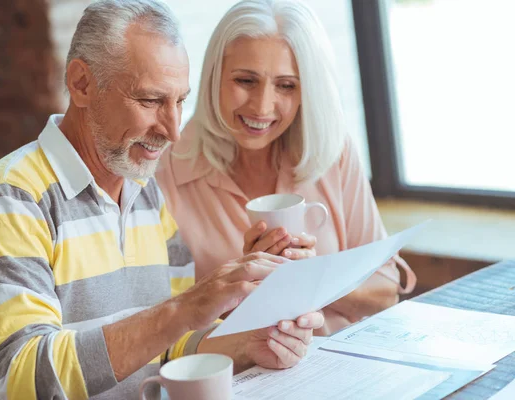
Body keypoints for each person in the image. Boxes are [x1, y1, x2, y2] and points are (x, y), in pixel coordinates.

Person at [0, 1, 324, 399]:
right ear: (81, 84)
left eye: (179, 101)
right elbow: (27, 379)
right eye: (150, 101)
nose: (173, 130)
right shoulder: (7, 202)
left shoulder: (145, 193)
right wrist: (185, 308)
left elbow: (170, 347)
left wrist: (251, 346)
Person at [156, 0, 417, 336]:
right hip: (236, 376)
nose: (262, 107)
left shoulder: (332, 152)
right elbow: (161, 318)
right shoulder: (166, 167)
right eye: (246, 81)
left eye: (286, 86)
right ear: (213, 76)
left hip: (337, 369)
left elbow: (385, 293)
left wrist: (313, 278)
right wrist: (246, 281)